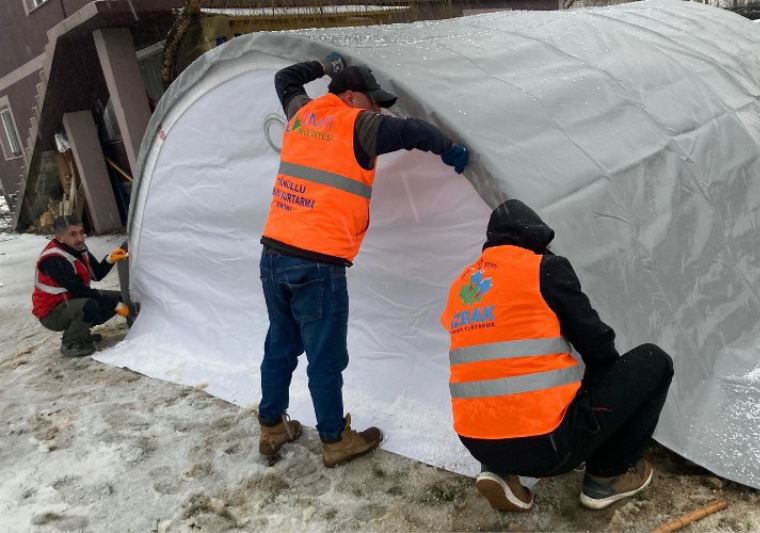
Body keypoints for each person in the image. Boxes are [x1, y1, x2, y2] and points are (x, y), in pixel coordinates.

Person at [257, 54, 470, 467]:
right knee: (325, 357)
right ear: (352, 96)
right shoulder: (357, 123)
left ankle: (271, 426)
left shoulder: (302, 113)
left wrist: (322, 63)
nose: (378, 110)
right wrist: (450, 149)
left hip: (274, 255)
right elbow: (414, 132)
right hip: (318, 264)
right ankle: (335, 440)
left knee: (280, 344)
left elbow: (286, 77)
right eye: (373, 101)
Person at [440, 199, 674, 512]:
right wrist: (606, 405)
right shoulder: (544, 269)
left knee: (497, 380)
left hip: (476, 441)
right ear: (537, 239)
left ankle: (498, 470)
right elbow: (598, 347)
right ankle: (607, 475)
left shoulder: (462, 286)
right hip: (546, 446)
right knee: (653, 360)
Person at [32, 215, 129, 357]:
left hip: (70, 302)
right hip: (52, 313)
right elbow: (78, 290)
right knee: (91, 305)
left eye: (81, 232)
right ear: (59, 237)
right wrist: (112, 302)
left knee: (120, 297)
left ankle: (81, 334)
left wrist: (110, 259)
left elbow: (97, 274)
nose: (80, 238)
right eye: (73, 234)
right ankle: (71, 343)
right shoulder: (53, 258)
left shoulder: (78, 248)